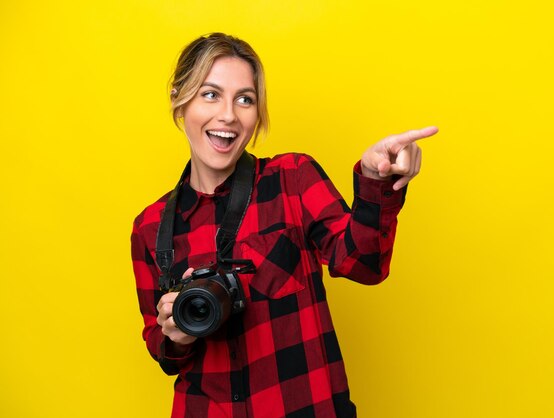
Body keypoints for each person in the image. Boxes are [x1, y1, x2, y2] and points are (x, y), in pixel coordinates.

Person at [131, 32, 438, 418]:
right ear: (179, 100)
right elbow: (163, 351)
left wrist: (377, 183)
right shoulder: (151, 227)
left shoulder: (292, 178)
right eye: (210, 94)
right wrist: (173, 335)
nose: (228, 114)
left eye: (245, 99)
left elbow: (364, 263)